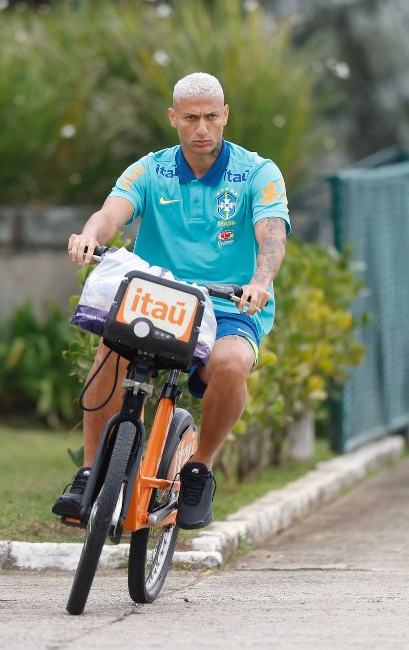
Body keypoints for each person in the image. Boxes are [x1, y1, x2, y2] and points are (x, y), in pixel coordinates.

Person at [53, 72, 290, 530]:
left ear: (226, 116)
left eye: (210, 117)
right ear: (173, 119)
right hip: (157, 297)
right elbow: (110, 212)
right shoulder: (150, 170)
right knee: (111, 352)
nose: (202, 128)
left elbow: (272, 236)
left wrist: (260, 281)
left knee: (231, 363)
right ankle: (88, 474)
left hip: (227, 306)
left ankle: (199, 468)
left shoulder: (258, 173)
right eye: (190, 118)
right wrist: (89, 236)